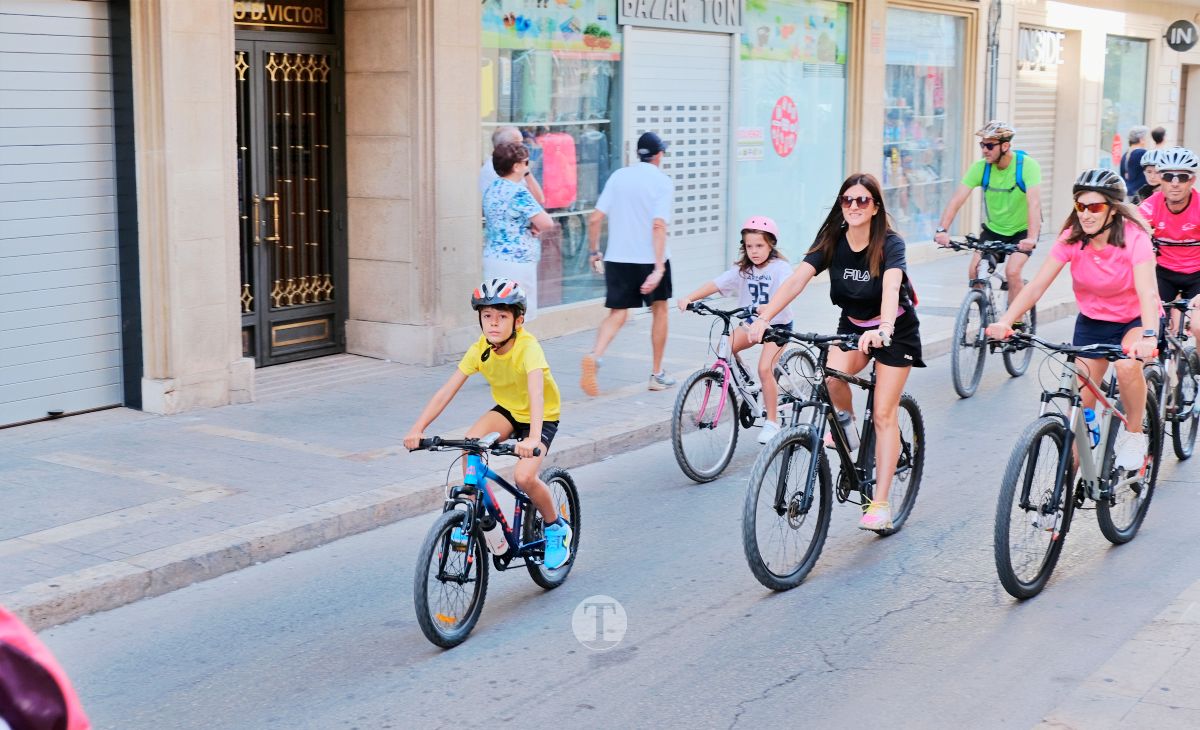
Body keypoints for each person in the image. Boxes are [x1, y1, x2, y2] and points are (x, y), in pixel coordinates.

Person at [748, 174, 923, 532]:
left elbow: (892, 286)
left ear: (875, 207)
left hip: (895, 330)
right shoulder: (833, 238)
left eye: (862, 200)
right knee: (830, 379)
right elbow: (797, 279)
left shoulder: (890, 243)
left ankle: (881, 504)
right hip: (853, 325)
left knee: (884, 412)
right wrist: (765, 317)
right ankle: (848, 425)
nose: (854, 206)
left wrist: (884, 328)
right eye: (847, 200)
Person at [987, 169, 1159, 470]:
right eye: (1081, 206)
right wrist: (1007, 321)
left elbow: (1147, 292)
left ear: (1112, 209)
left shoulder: (1134, 238)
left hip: (1134, 321)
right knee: (1078, 415)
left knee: (1127, 366)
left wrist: (1149, 337)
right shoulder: (1072, 238)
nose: (1086, 214)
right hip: (1093, 322)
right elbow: (1036, 286)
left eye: (1095, 207)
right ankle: (1064, 491)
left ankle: (1134, 433)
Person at [403, 279, 571, 569]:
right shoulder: (480, 349)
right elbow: (446, 392)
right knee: (471, 444)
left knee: (524, 477)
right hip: (508, 410)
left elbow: (536, 393)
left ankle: (556, 527)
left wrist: (532, 439)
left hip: (541, 416)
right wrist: (417, 429)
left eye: (502, 316)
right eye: (487, 316)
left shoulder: (528, 348)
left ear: (518, 321)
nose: (493, 323)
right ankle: (475, 506)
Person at [677, 216, 795, 444]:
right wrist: (690, 298)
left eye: (759, 245)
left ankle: (772, 423)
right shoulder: (743, 269)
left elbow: (788, 291)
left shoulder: (781, 268)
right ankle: (747, 380)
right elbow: (716, 283)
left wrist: (769, 308)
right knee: (725, 348)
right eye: (749, 246)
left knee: (765, 369)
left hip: (777, 326)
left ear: (771, 244)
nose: (754, 251)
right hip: (751, 324)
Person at [580, 131, 675, 396]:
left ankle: (595, 355)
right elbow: (658, 225)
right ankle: (657, 374)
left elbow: (595, 219)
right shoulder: (662, 182)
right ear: (659, 155)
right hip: (649, 259)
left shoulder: (619, 176)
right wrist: (659, 268)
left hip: (618, 258)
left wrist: (594, 252)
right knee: (660, 310)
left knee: (618, 313)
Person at [934, 121, 1042, 305]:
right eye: (982, 145)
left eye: (990, 146)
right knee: (975, 271)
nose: (984, 150)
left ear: (1005, 146)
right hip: (994, 230)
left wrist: (1031, 238)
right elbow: (957, 199)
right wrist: (942, 230)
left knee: (1012, 271)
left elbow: (1034, 203)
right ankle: (983, 314)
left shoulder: (1027, 166)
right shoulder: (981, 168)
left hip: (1022, 231)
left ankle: (1015, 319)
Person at [481, 142, 553, 322]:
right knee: (516, 318)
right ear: (516, 166)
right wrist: (534, 226)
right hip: (517, 261)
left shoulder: (492, 188)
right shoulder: (518, 192)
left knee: (498, 317)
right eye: (526, 162)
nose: (528, 166)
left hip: (493, 258)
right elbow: (546, 222)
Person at [1138, 146, 1200, 341]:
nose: (1175, 183)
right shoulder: (1150, 206)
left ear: (1192, 180)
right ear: (1160, 178)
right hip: (1164, 273)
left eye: (1182, 177)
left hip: (1197, 275)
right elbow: (1130, 234)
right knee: (1150, 328)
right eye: (1168, 177)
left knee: (1198, 327)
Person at [479, 126, 544, 205]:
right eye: (518, 143)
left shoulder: (515, 166)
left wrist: (526, 171)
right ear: (504, 146)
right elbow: (526, 203)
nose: (522, 146)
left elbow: (539, 199)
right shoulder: (494, 168)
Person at [1121, 125, 1151, 199]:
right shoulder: (1143, 153)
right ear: (1141, 139)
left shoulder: (1125, 154)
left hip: (1128, 193)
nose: (1148, 140)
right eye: (1147, 137)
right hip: (1140, 195)